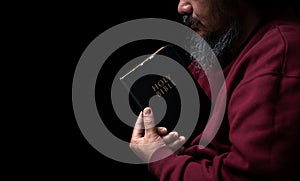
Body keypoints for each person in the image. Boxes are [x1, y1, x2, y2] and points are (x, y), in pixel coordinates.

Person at [129, 0, 300, 180]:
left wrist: (159, 157)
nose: (182, 7)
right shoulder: (223, 48)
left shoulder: (279, 57)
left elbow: (240, 176)